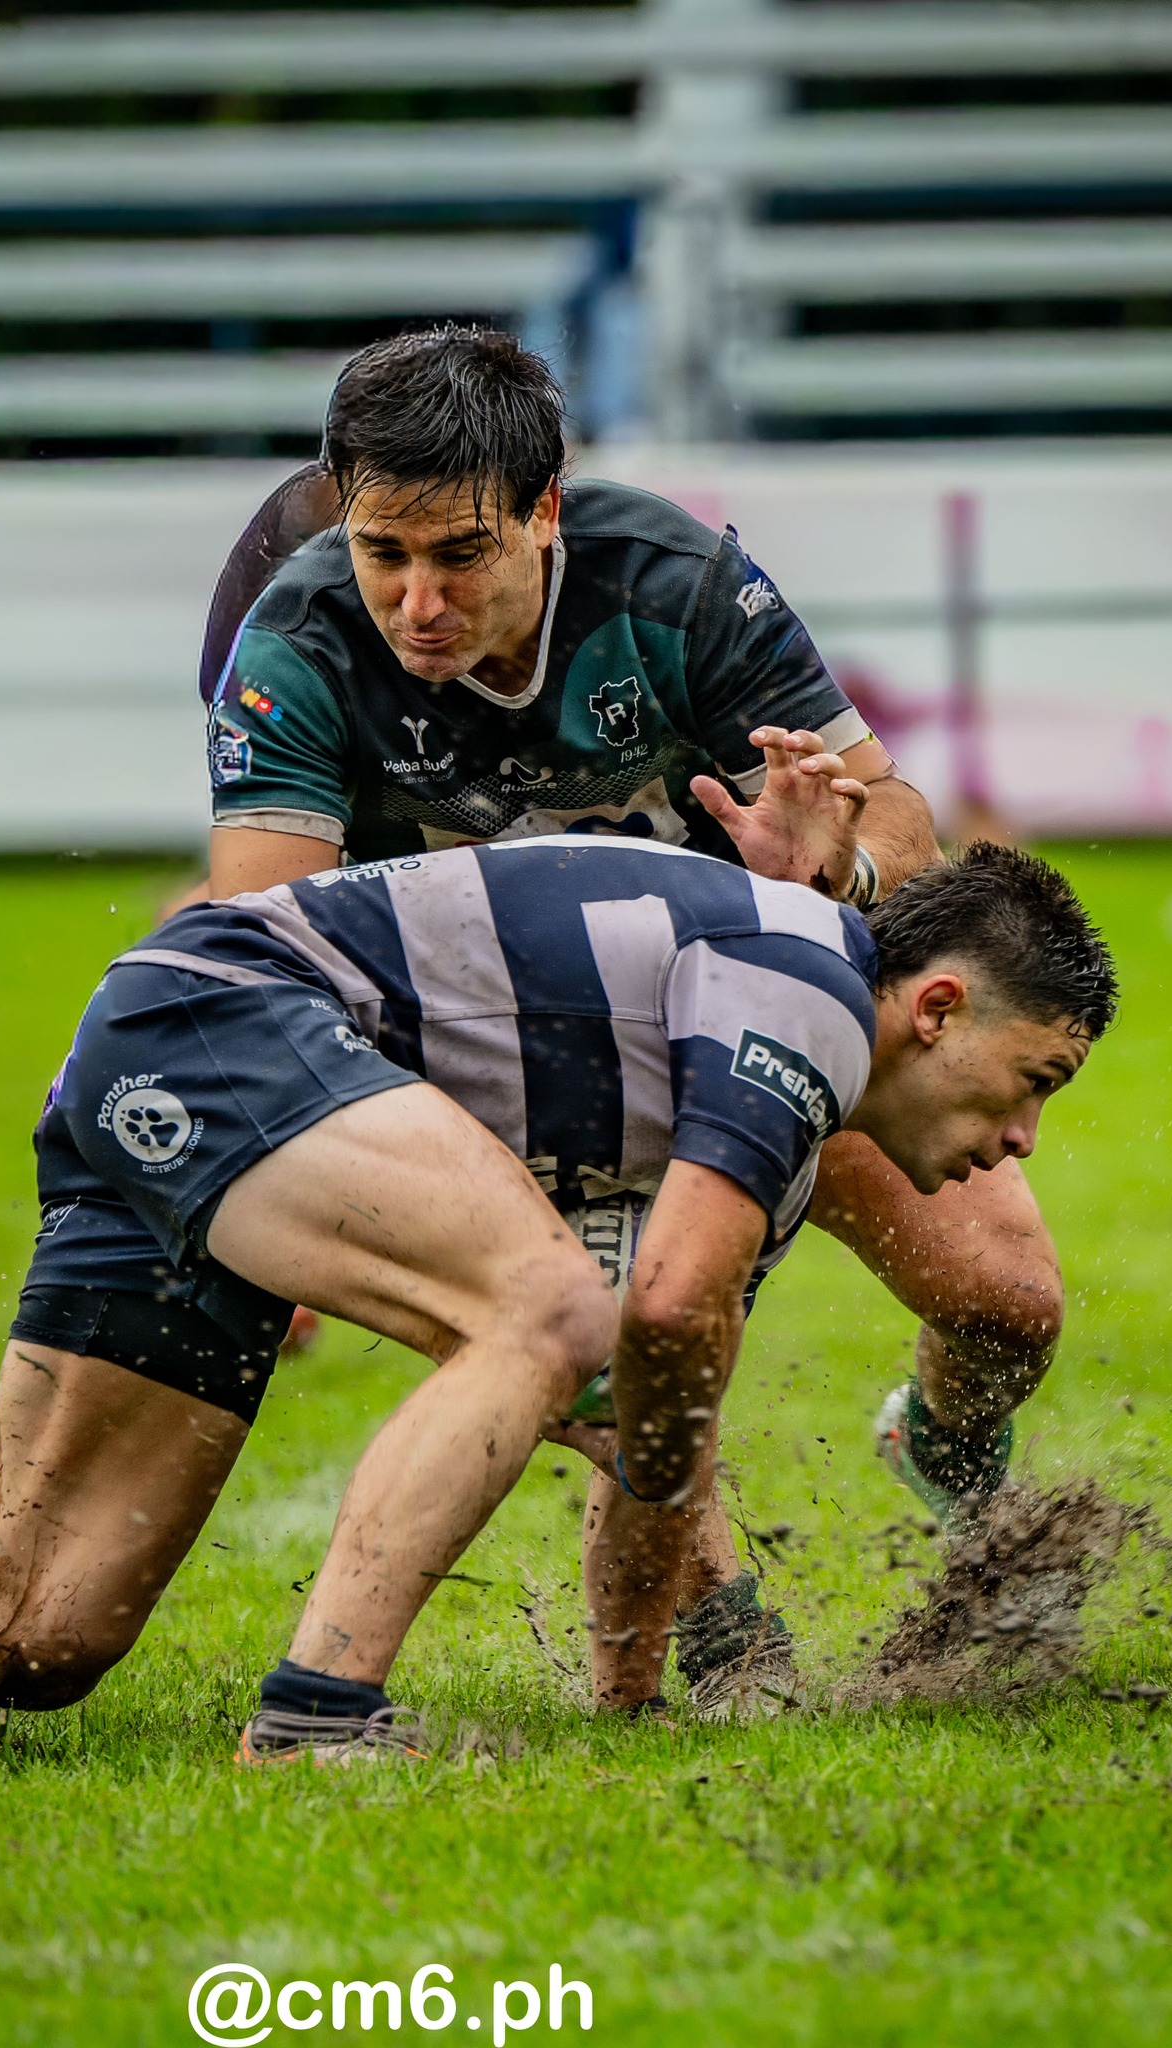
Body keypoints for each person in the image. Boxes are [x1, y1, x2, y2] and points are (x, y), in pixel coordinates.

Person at [0, 831, 1114, 1756]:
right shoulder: (807, 990)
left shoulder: (784, 1100)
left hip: (188, 1055)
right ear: (937, 1007)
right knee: (562, 1319)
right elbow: (651, 1326)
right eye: (1031, 1082)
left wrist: (639, 1692)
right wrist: (700, 1581)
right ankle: (317, 1720)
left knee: (31, 1629)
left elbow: (648, 1387)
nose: (1016, 1139)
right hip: (220, 1019)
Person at [192, 328, 1068, 1667]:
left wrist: (845, 861)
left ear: (544, 515)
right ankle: (713, 1645)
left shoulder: (675, 584)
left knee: (1009, 1299)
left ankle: (941, 1442)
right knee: (624, 1339)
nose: (416, 601)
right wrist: (295, 1161)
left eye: (461, 555)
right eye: (387, 555)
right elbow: (265, 942)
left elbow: (904, 819)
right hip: (503, 1083)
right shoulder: (297, 643)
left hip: (754, 1020)